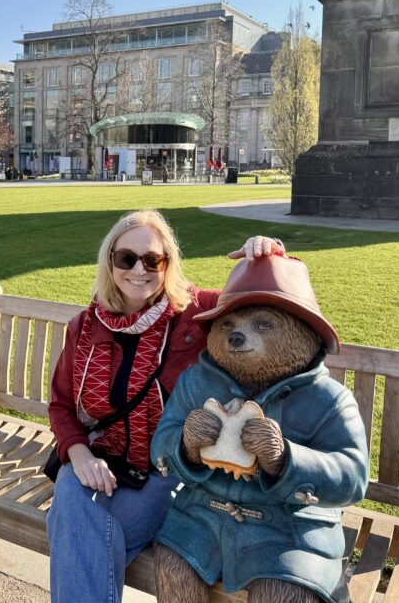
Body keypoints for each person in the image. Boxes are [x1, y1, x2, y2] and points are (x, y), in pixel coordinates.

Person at [46, 209, 284, 603]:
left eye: (152, 259)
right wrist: (79, 453)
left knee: (74, 527)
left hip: (165, 474)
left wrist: (269, 258)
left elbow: (277, 307)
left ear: (167, 263)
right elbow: (61, 406)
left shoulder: (197, 315)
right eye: (126, 258)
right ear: (110, 263)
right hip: (96, 464)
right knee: (73, 490)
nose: (139, 269)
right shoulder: (84, 328)